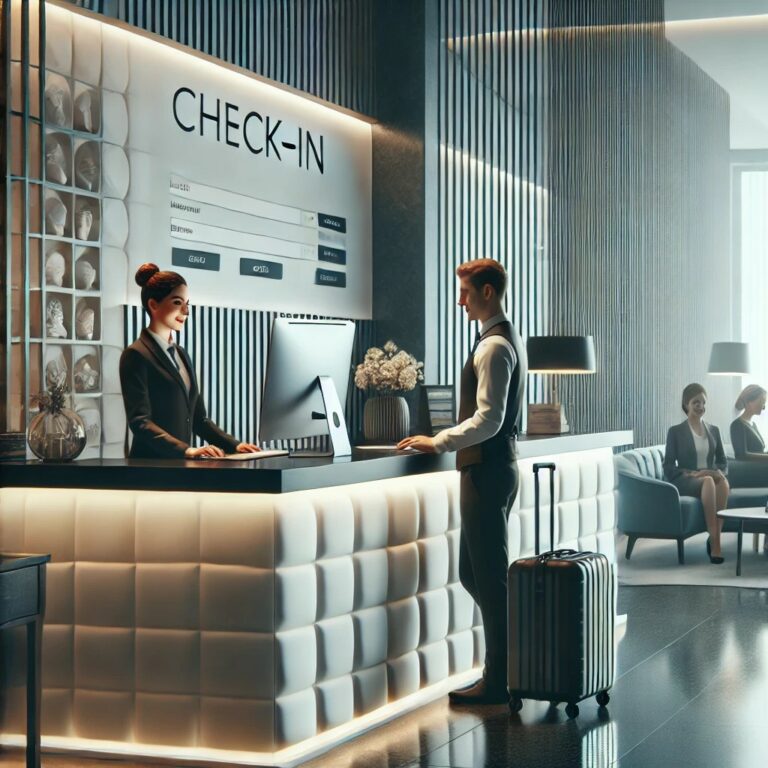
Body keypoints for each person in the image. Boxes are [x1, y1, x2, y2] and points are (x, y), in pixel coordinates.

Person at [398, 258, 526, 704]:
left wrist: (439, 441)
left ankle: (500, 679)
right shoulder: (503, 339)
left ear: (487, 292)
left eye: (466, 292)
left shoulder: (493, 347)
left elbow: (488, 418)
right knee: (475, 572)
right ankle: (510, 658)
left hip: (486, 469)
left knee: (488, 578)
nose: (460, 301)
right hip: (491, 467)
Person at [120, 263, 260, 459]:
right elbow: (140, 422)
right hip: (150, 467)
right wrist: (186, 450)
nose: (186, 311)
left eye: (188, 303)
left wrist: (235, 445)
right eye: (177, 303)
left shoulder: (181, 354)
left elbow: (199, 419)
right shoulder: (135, 355)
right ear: (153, 305)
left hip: (180, 468)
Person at [663, 383, 729, 563]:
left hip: (708, 475)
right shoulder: (675, 431)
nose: (701, 407)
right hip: (686, 479)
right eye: (696, 403)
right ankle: (716, 545)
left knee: (722, 482)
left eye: (703, 402)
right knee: (708, 481)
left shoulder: (714, 430)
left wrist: (718, 472)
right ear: (686, 404)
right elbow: (668, 466)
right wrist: (691, 473)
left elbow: (723, 461)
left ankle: (714, 537)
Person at [730, 384, 768, 462]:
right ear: (749, 401)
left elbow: (758, 452)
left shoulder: (753, 425)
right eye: (761, 401)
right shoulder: (737, 425)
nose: (763, 407)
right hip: (750, 471)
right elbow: (742, 455)